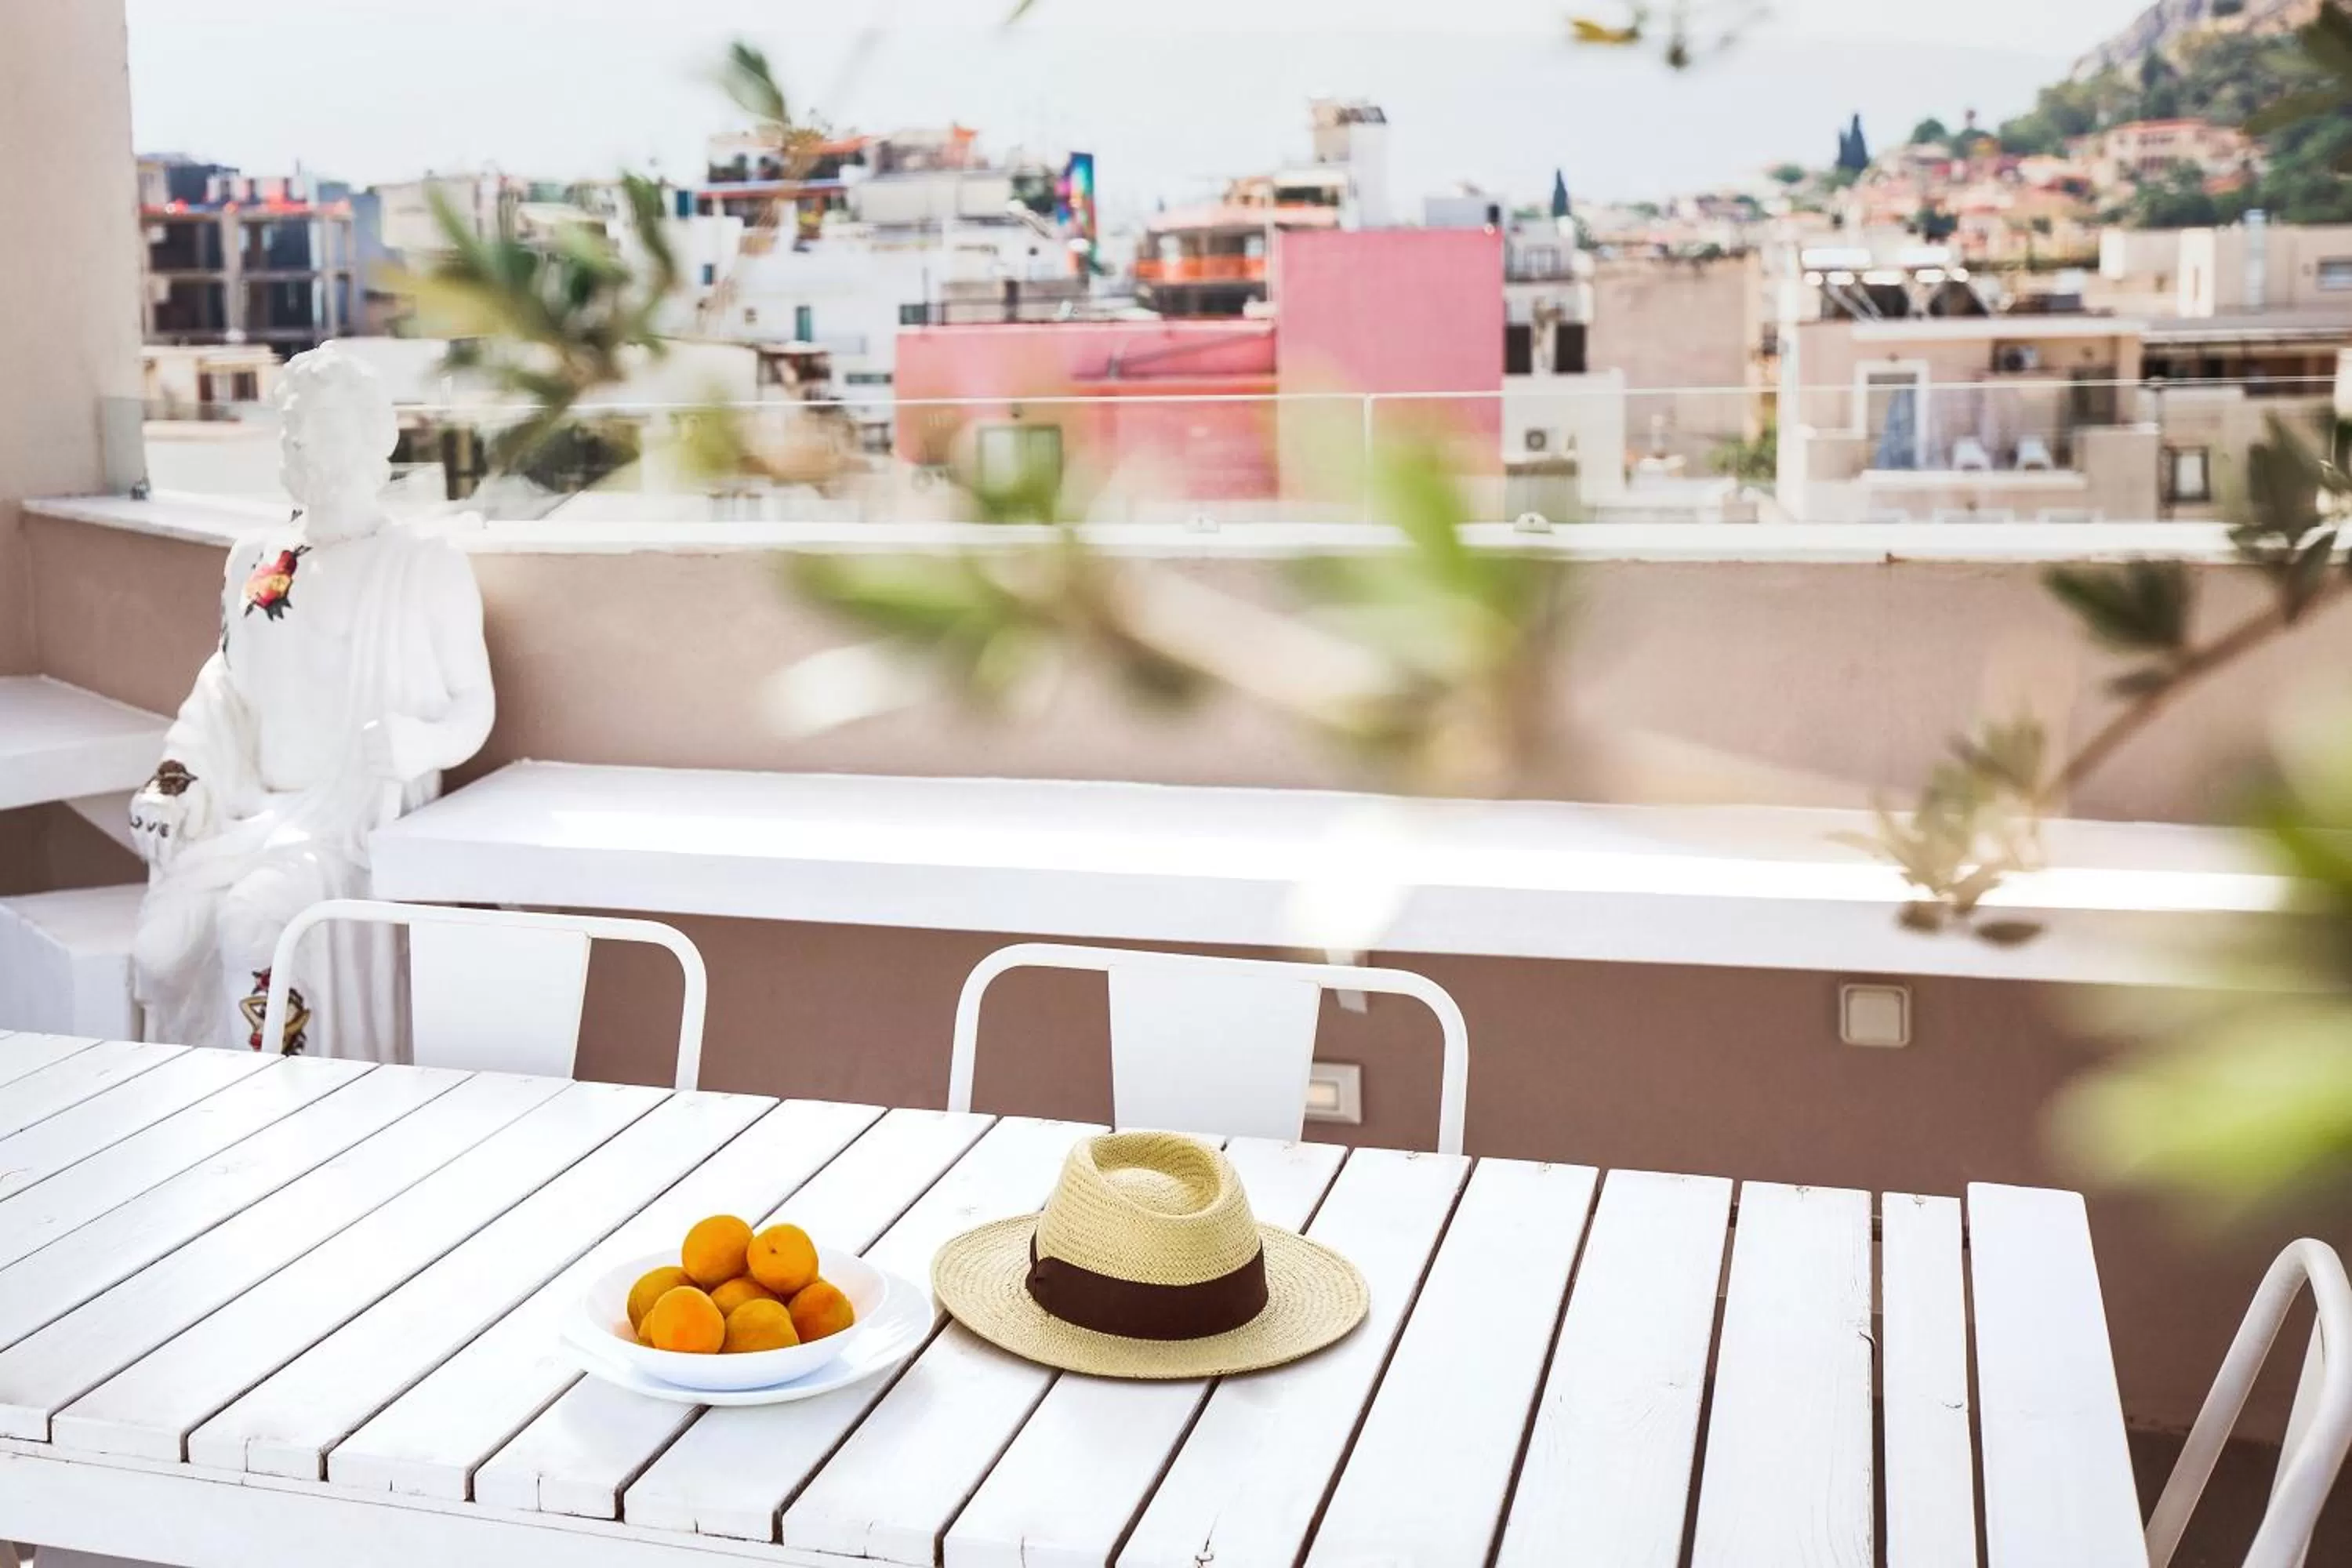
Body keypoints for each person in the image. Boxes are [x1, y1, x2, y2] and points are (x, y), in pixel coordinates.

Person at [129, 343, 494, 1057]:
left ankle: (280, 1112)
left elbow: (472, 705)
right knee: (158, 947)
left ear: (372, 440)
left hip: (345, 829)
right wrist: (172, 785)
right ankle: (196, 1109)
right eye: (290, 429)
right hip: (248, 813)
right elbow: (221, 696)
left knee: (252, 921)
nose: (299, 445)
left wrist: (420, 744)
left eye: (318, 427)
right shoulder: (254, 561)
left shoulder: (425, 568)